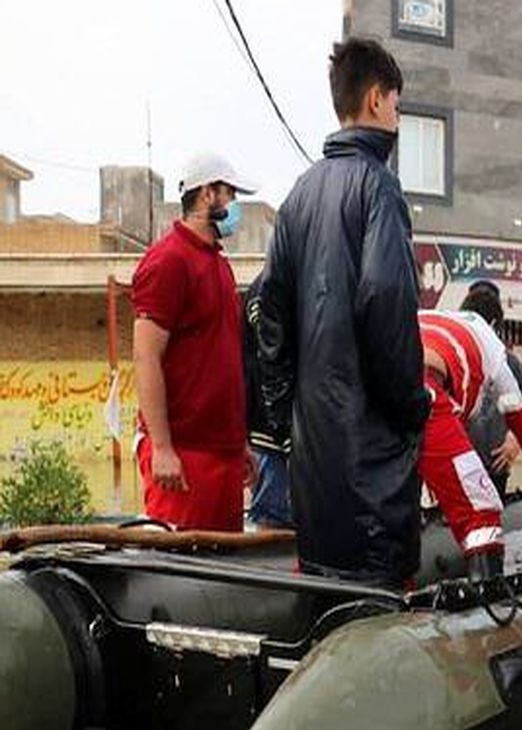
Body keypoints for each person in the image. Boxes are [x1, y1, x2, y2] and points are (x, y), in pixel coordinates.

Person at [256, 38, 429, 585]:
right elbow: (387, 305)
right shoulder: (378, 188)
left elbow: (270, 321)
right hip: (372, 463)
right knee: (375, 627)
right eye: (398, 106)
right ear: (377, 100)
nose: (398, 120)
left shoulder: (299, 196)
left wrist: (291, 422)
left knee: (323, 611)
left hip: (315, 467)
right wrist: (412, 409)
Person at [131, 152, 258, 532]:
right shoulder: (168, 260)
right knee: (180, 582)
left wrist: (239, 445)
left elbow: (221, 360)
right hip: (183, 459)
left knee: (222, 580)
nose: (235, 205)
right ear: (206, 195)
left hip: (222, 457)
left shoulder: (218, 264)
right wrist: (164, 448)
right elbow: (145, 357)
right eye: (230, 194)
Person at [419, 288, 522, 582]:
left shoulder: (432, 317)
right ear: (493, 325)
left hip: (367, 382)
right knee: (481, 510)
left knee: (392, 502)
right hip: (423, 388)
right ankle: (488, 604)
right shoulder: (491, 347)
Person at [463, 282, 522, 495]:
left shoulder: (508, 360)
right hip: (461, 469)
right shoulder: (458, 356)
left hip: (495, 468)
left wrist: (515, 439)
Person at [243, 273, 291, 528]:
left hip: (290, 433)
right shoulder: (268, 289)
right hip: (270, 434)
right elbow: (272, 357)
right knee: (272, 520)